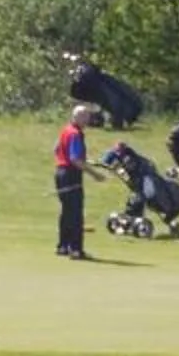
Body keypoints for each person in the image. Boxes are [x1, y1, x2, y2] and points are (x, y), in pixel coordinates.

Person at [53, 103, 102, 259]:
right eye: (85, 116)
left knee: (66, 211)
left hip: (60, 172)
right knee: (75, 213)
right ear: (77, 117)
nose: (88, 119)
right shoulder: (75, 133)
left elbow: (57, 149)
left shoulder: (65, 130)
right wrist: (94, 174)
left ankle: (62, 246)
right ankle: (76, 249)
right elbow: (75, 159)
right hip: (71, 174)